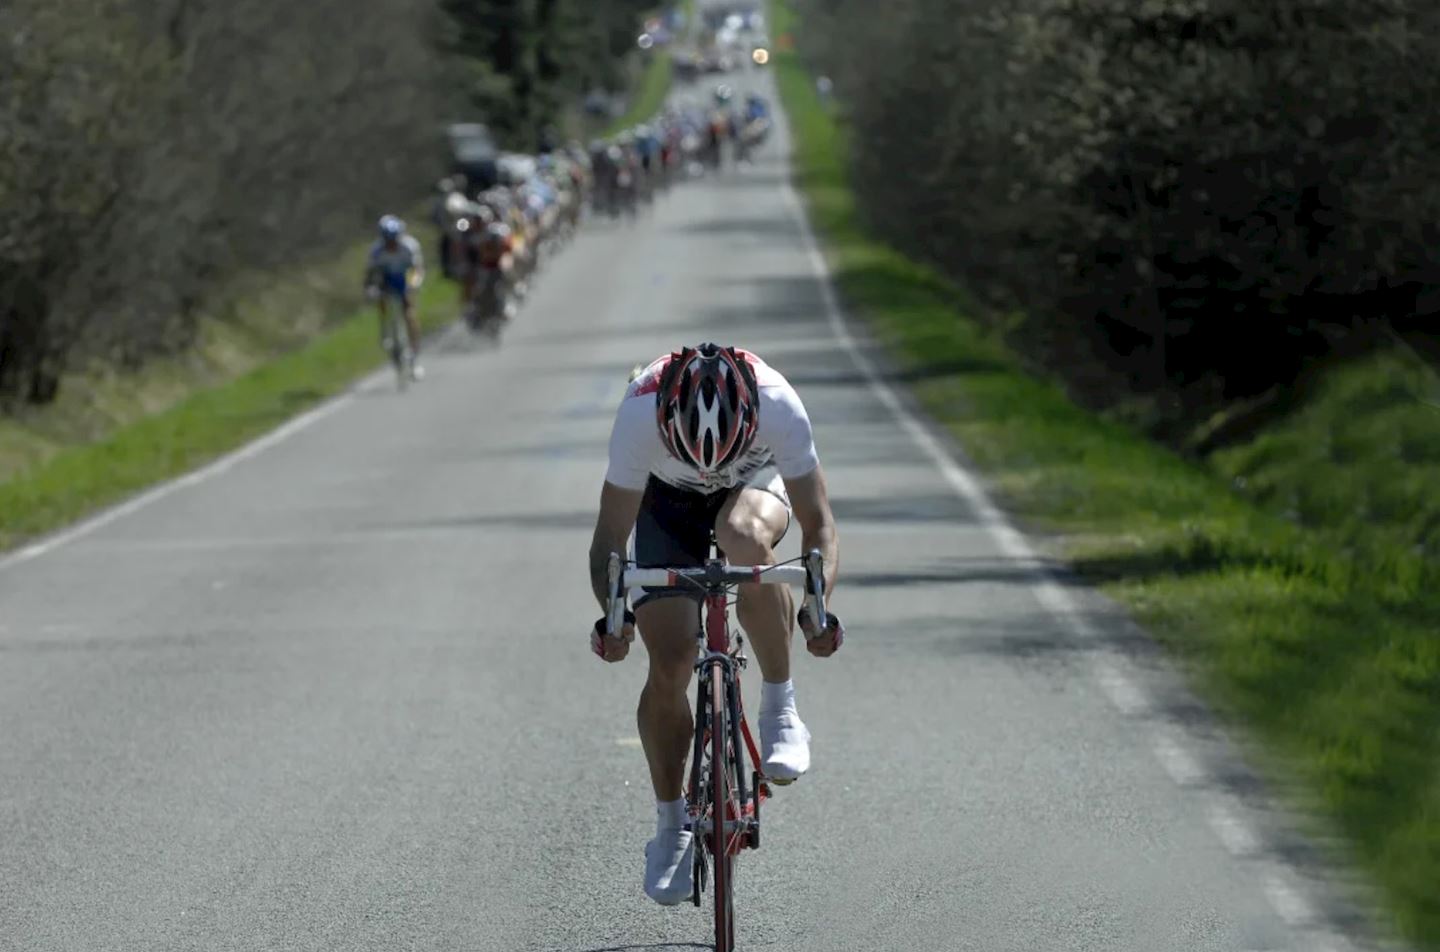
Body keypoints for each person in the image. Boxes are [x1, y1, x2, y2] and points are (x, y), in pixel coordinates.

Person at [586, 343, 844, 906]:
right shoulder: (639, 411)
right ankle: (671, 825)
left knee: (744, 540)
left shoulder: (778, 401)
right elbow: (609, 539)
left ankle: (780, 707)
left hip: (752, 484)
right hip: (665, 500)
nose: (707, 468)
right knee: (672, 660)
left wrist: (815, 608)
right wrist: (615, 616)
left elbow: (818, 522)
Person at [365, 215, 425, 380]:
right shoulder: (377, 250)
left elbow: (417, 269)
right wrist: (371, 289)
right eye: (387, 240)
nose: (391, 244)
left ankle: (414, 358)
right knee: (381, 299)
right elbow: (370, 275)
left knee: (410, 314)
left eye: (394, 240)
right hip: (387, 280)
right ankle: (385, 330)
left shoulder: (409, 247)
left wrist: (414, 284)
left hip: (405, 279)